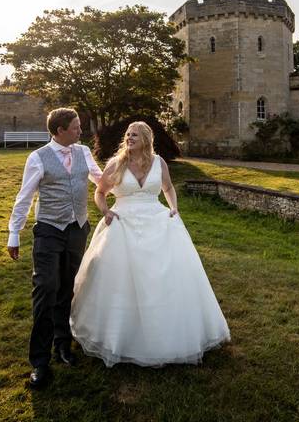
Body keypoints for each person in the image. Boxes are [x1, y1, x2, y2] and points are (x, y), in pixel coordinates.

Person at [69, 121, 230, 367]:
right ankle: (121, 335)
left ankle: (167, 333)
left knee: (164, 277)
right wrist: (105, 212)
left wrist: (174, 207)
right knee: (120, 280)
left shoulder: (159, 163)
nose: (129, 138)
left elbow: (167, 187)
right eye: (128, 134)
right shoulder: (116, 164)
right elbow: (100, 193)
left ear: (146, 138)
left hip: (157, 223)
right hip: (123, 224)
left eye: (135, 135)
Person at [6, 107, 103, 389]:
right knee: (46, 288)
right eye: (75, 127)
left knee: (68, 288)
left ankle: (63, 344)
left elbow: (100, 180)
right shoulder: (38, 158)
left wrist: (132, 186)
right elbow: (24, 197)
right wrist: (14, 233)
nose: (80, 131)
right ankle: (39, 361)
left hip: (77, 228)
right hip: (49, 230)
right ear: (60, 130)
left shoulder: (83, 151)